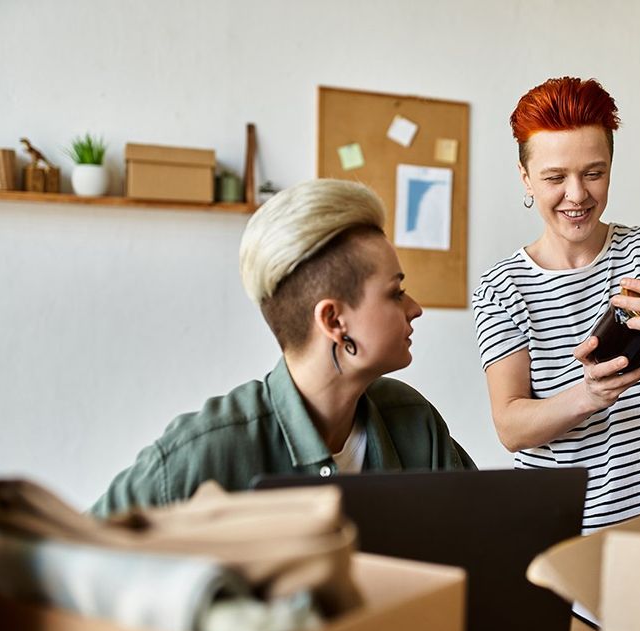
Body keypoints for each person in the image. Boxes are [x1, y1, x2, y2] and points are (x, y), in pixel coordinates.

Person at [92, 179, 475, 517]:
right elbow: (55, 558)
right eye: (396, 293)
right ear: (333, 321)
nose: (415, 308)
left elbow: (488, 536)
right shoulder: (203, 453)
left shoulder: (414, 422)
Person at [472, 77, 640, 538]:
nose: (578, 195)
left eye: (594, 173)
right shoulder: (503, 286)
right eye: (555, 178)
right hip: (569, 544)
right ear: (526, 179)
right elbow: (511, 427)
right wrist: (589, 396)